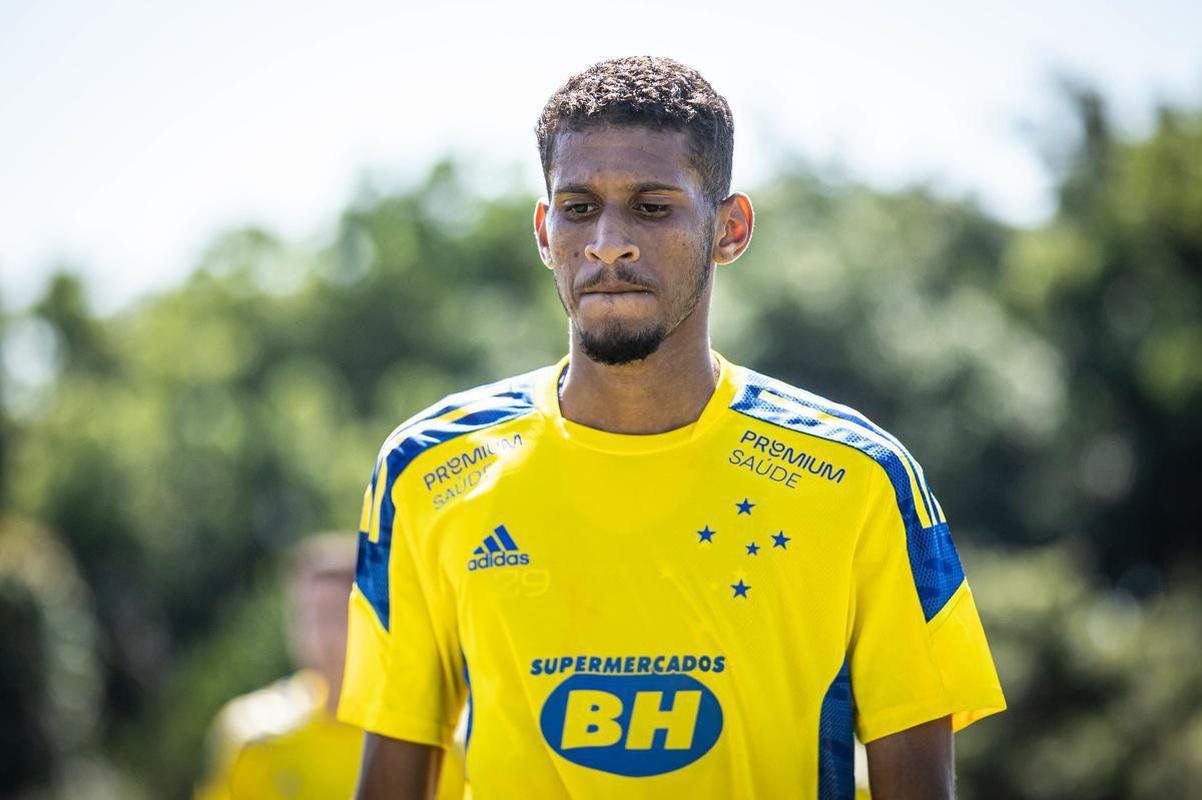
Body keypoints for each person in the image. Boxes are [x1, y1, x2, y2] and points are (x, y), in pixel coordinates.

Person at [338, 56, 1006, 800]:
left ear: (730, 228)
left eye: (652, 208)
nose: (608, 242)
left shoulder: (857, 476)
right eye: (578, 207)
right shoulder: (427, 467)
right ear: (544, 231)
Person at [196, 533, 464, 799]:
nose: (318, 636)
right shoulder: (252, 735)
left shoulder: (440, 741)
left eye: (334, 616)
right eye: (306, 617)